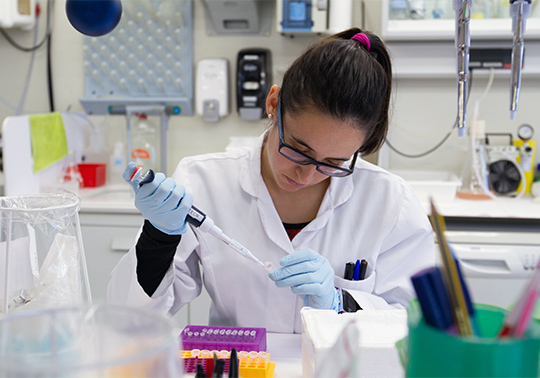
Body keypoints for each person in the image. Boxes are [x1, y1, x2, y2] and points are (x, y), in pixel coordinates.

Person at [108, 28, 436, 333]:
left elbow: (414, 324)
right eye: (297, 149)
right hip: (241, 364)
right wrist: (158, 237)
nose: (307, 175)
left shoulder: (390, 203)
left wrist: (341, 303)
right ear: (273, 102)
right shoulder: (204, 181)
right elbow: (131, 319)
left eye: (333, 163)